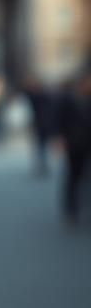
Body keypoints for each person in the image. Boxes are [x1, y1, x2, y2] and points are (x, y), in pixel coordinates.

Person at [58, 70, 91, 223]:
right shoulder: (69, 99)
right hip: (74, 143)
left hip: (86, 143)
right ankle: (71, 208)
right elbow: (60, 119)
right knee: (73, 176)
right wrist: (60, 138)